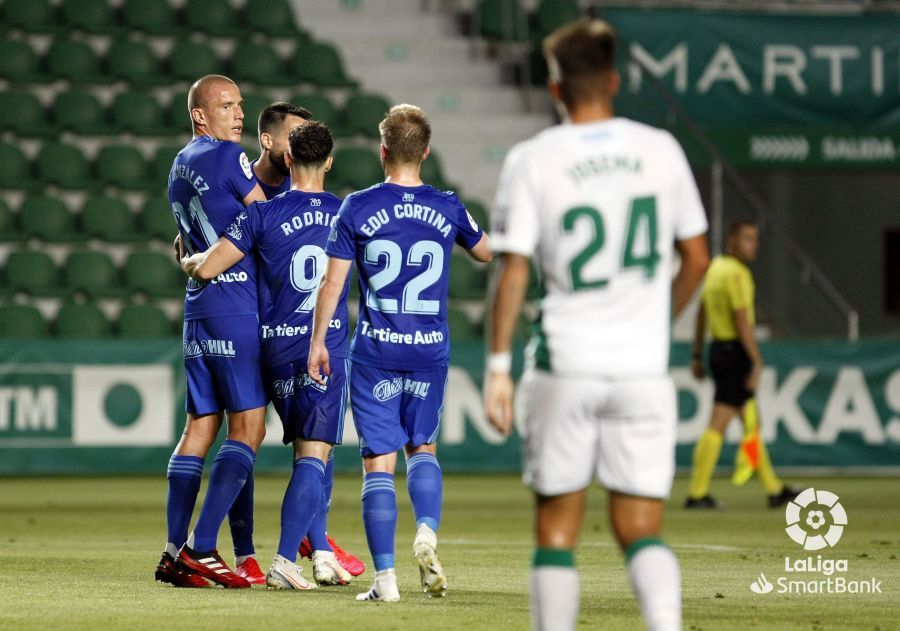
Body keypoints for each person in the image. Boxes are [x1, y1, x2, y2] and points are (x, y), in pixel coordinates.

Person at [483, 21, 710, 631]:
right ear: (613, 81)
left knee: (557, 529)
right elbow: (697, 257)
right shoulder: (660, 147)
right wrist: (653, 320)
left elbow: (511, 272)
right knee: (640, 528)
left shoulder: (533, 159)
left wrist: (499, 367)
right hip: (642, 369)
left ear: (556, 90)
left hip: (566, 364)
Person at [307, 104, 492, 602]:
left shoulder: (357, 207)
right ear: (426, 151)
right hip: (429, 350)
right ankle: (427, 533)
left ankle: (385, 582)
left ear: (382, 150)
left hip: (376, 352)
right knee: (423, 448)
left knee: (379, 462)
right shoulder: (447, 205)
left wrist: (319, 340)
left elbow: (333, 284)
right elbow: (486, 250)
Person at [181, 121, 354, 590]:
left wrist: (186, 259)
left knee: (282, 446)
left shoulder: (262, 214)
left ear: (289, 160)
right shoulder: (347, 213)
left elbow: (209, 266)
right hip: (325, 345)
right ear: (330, 161)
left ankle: (316, 552)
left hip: (274, 348)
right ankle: (286, 558)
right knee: (313, 457)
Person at [157, 74, 268, 589]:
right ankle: (202, 548)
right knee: (248, 428)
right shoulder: (227, 157)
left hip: (198, 310)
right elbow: (262, 220)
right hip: (235, 304)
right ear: (200, 114)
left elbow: (180, 245)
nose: (238, 115)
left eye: (241, 106)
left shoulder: (180, 164)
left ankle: (172, 549)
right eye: (227, 106)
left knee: (199, 428)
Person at [686, 219, 799, 509]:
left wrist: (697, 353)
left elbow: (701, 313)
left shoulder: (714, 268)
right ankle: (697, 493)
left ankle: (774, 489)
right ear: (732, 240)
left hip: (717, 350)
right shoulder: (737, 274)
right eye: (748, 238)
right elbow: (742, 321)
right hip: (734, 352)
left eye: (755, 238)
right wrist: (756, 362)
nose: (754, 244)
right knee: (722, 422)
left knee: (749, 422)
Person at [252, 102, 311, 199]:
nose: (303, 148)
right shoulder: (238, 183)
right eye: (294, 139)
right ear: (267, 141)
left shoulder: (304, 188)